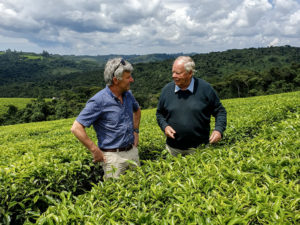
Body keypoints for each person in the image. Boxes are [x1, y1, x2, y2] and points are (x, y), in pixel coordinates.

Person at [71, 58, 141, 179]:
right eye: (128, 77)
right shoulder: (98, 101)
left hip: (132, 151)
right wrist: (94, 150)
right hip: (113, 157)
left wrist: (136, 131)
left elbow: (137, 110)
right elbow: (76, 128)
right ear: (116, 80)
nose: (132, 80)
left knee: (140, 189)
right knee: (115, 195)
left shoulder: (128, 94)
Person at [156, 56, 227, 156]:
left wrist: (218, 130)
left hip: (200, 150)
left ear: (190, 73)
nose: (173, 76)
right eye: (173, 72)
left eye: (178, 73)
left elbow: (220, 111)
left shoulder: (205, 88)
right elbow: (159, 113)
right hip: (173, 150)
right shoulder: (166, 90)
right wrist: (165, 126)